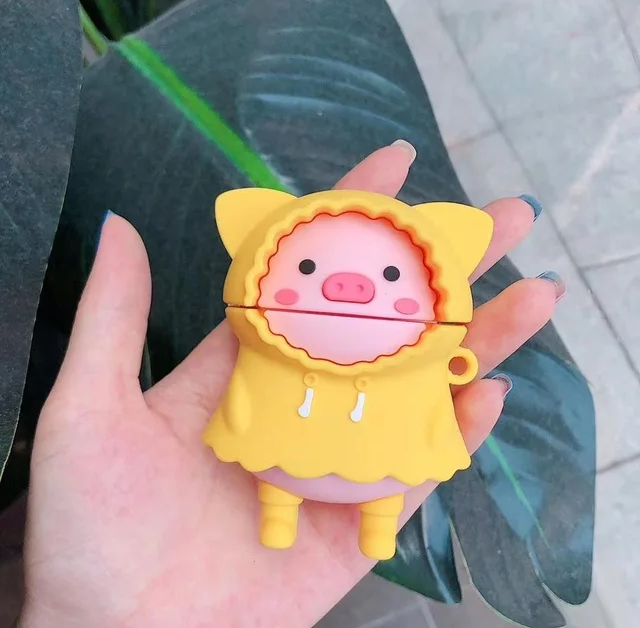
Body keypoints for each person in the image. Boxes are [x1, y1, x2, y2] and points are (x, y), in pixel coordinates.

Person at [17, 143, 561, 627]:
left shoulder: (428, 353)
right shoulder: (262, 346)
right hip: (279, 437)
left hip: (394, 433)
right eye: (306, 269)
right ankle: (283, 513)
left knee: (385, 480)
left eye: (392, 276)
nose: (347, 289)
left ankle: (375, 526)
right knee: (278, 471)